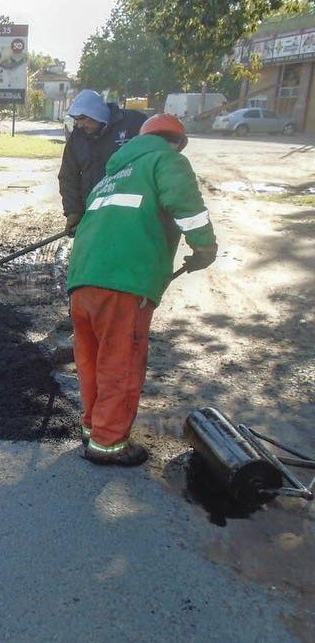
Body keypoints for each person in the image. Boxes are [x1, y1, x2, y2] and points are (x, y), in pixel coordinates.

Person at [66, 113, 218, 466]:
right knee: (119, 362)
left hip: (82, 280)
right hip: (123, 282)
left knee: (91, 360)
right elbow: (186, 206)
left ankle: (92, 427)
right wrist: (205, 247)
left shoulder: (113, 174)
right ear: (175, 142)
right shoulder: (167, 159)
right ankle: (109, 442)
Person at [58, 89, 147, 236]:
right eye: (77, 120)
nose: (80, 125)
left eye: (83, 119)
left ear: (96, 113)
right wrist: (73, 212)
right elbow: (68, 176)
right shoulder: (77, 139)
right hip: (94, 212)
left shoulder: (134, 124)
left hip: (132, 212)